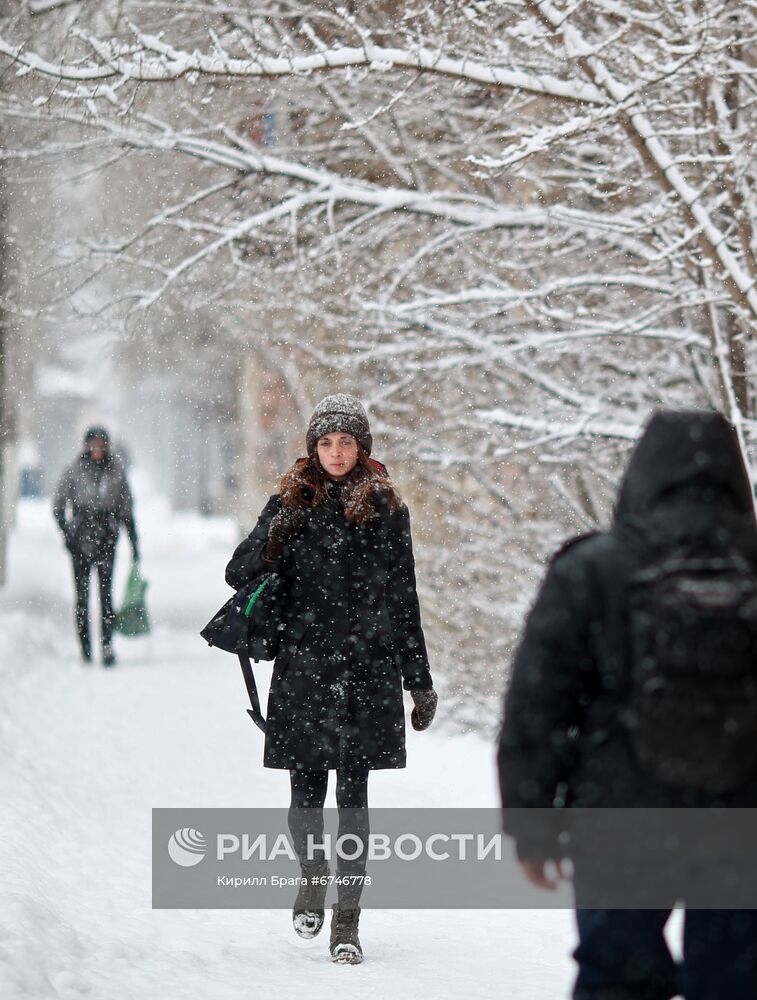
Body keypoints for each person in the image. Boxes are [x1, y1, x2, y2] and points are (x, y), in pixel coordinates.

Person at [498, 410, 757, 1000]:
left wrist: (533, 826)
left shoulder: (594, 568)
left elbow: (537, 705)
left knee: (616, 978)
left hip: (620, 815)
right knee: (737, 981)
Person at [225, 393, 438, 964]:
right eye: (326, 442)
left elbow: (403, 597)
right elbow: (236, 573)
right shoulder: (291, 502)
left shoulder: (387, 508)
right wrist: (278, 532)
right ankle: (311, 877)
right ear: (313, 448)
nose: (337, 452)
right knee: (304, 794)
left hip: (368, 669)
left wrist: (419, 680)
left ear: (363, 447)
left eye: (346, 442)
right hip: (305, 668)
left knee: (354, 799)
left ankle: (347, 921)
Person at [53, 426, 140, 666]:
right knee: (82, 597)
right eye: (93, 444)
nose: (97, 449)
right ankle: (85, 647)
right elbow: (58, 505)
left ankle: (107, 644)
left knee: (106, 595)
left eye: (101, 444)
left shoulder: (116, 471)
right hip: (80, 541)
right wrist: (68, 533)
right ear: (86, 445)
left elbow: (126, 508)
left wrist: (134, 541)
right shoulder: (73, 471)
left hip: (106, 540)